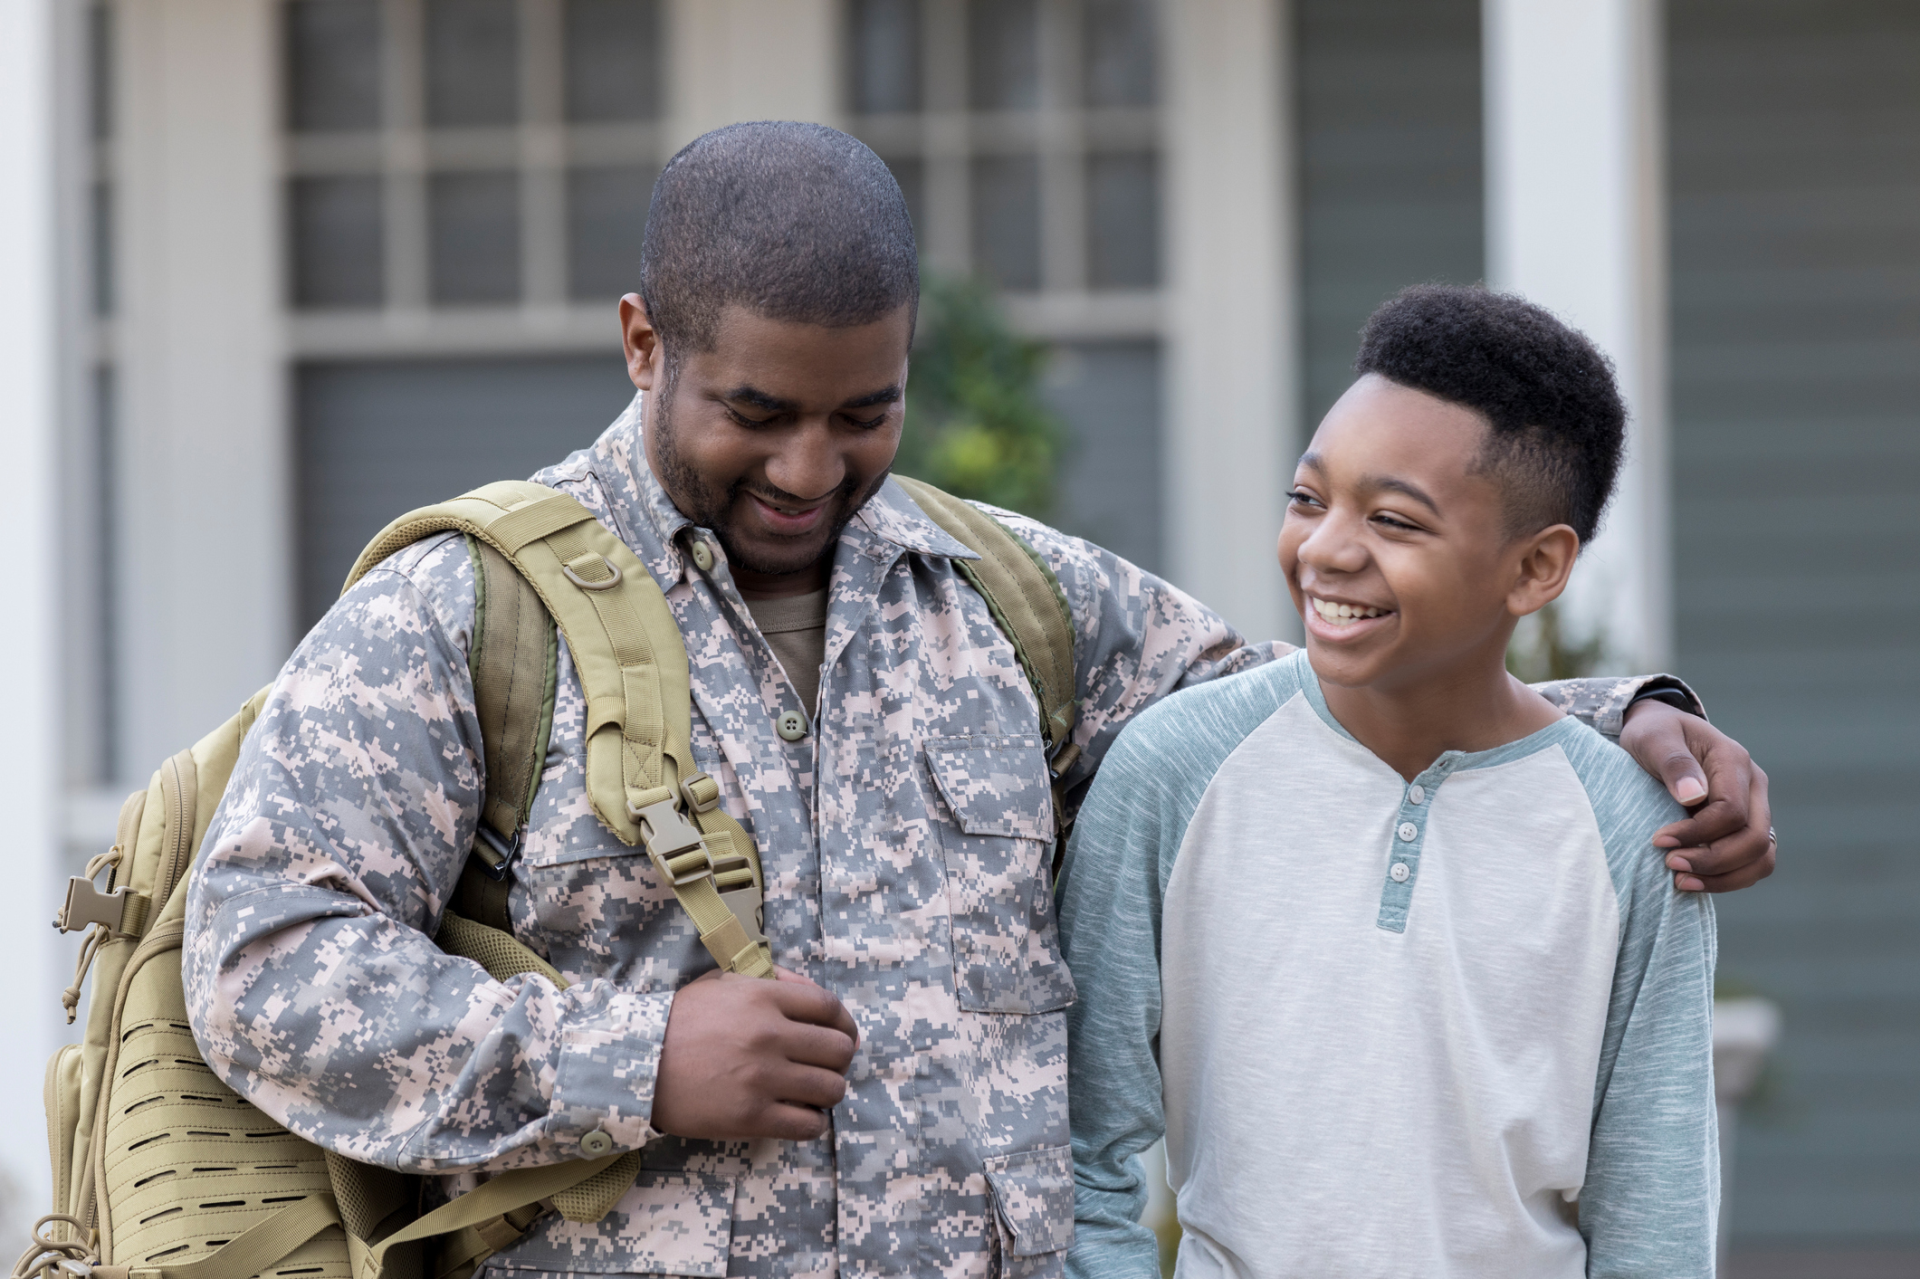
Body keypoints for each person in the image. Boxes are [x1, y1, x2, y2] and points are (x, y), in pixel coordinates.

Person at [184, 124, 1768, 1279]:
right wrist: (633, 1055)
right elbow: (261, 960)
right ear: (641, 341)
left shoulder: (1013, 598)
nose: (813, 469)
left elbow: (1326, 712)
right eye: (757, 413)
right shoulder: (467, 615)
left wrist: (1619, 716)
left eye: (863, 412)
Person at [1059, 286, 1721, 1279]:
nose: (1327, 549)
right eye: (1308, 498)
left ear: (1536, 568)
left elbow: (1653, 1205)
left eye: (1394, 521)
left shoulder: (1629, 830)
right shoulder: (1174, 770)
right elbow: (1080, 1149)